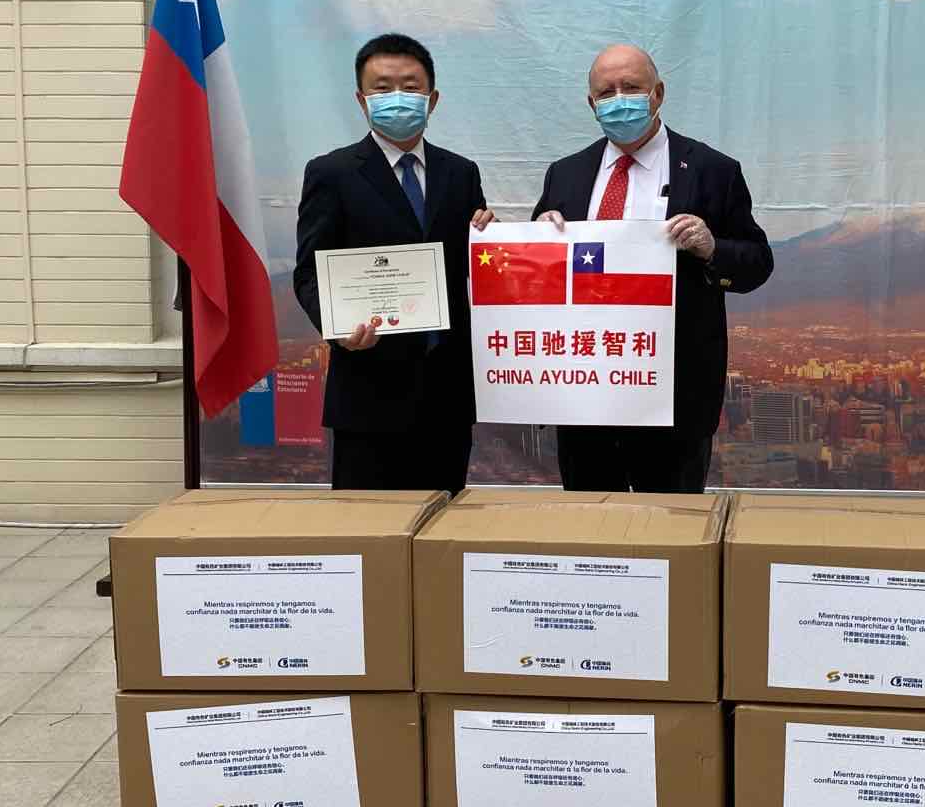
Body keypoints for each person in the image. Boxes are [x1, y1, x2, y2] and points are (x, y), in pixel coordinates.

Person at [532, 43, 773, 492]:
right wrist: (539, 241)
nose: (618, 99)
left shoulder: (712, 170)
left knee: (671, 526)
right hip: (584, 392)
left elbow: (758, 263)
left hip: (674, 400)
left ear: (658, 93)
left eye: (631, 87)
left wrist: (712, 248)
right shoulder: (565, 174)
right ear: (591, 104)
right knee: (590, 525)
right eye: (606, 92)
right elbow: (538, 280)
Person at [294, 33, 495, 493]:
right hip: (368, 390)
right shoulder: (331, 173)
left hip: (446, 393)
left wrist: (491, 236)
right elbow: (308, 273)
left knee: (446, 523)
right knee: (370, 528)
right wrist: (337, 326)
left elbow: (474, 264)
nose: (398, 98)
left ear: (433, 99)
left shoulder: (461, 173)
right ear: (361, 100)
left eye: (411, 86)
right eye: (383, 88)